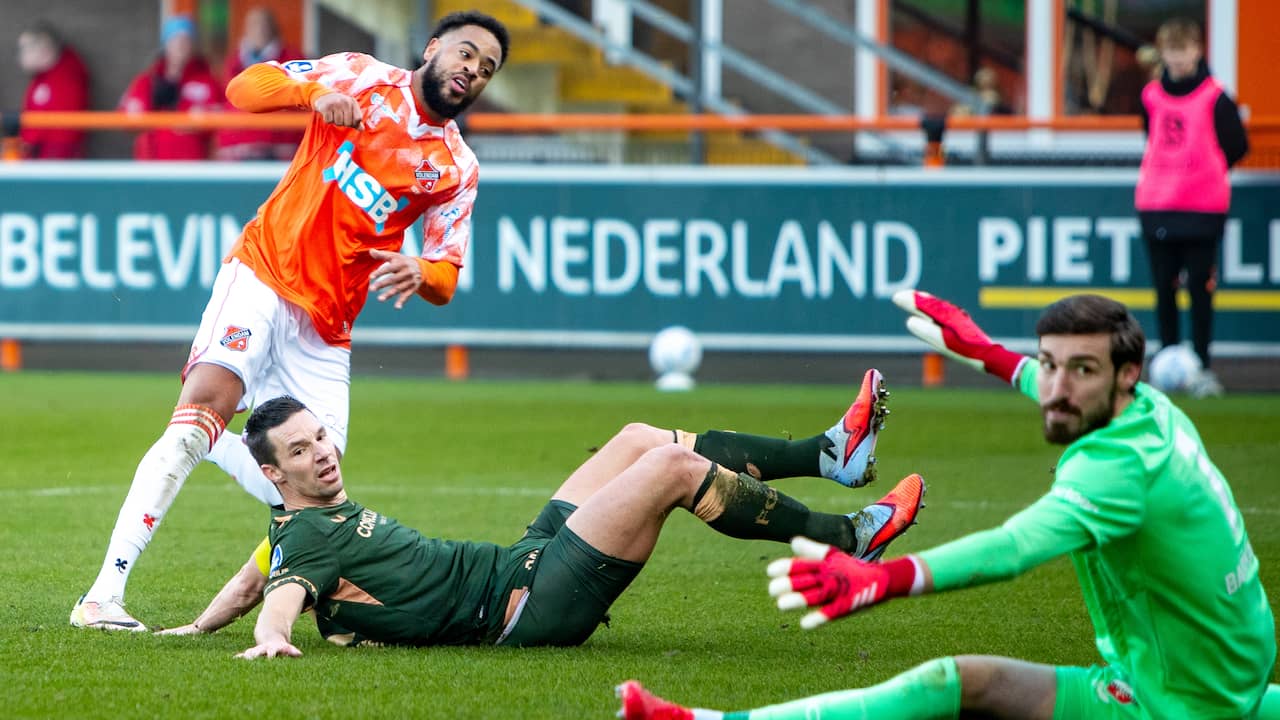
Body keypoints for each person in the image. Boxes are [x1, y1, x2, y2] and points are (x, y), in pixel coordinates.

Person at [619, 290, 1277, 720]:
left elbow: (1013, 547)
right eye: (1048, 364)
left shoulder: (1115, 473)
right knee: (968, 683)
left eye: (1081, 370)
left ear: (1125, 375)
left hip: (1180, 705)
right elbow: (1054, 387)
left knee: (952, 682)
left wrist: (885, 578)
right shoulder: (1153, 414)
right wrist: (985, 351)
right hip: (1236, 680)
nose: (1055, 387)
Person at [70, 10, 512, 631]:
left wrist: (423, 273)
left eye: (487, 69)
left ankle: (221, 458)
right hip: (264, 276)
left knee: (311, 491)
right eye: (466, 54)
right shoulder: (359, 75)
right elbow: (243, 89)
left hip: (326, 328)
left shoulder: (456, 168)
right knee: (197, 415)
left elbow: (445, 275)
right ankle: (101, 595)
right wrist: (316, 92)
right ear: (434, 48)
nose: (473, 71)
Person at [157, 382, 923, 654]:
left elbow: (260, 574)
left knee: (635, 440)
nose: (325, 454)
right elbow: (281, 600)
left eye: (322, 436)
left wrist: (198, 627)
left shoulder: (298, 531)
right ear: (272, 473)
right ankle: (847, 540)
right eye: (302, 450)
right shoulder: (307, 537)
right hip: (525, 607)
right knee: (672, 470)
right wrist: (270, 641)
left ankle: (828, 455)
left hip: (520, 558)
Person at [1136, 18, 1248, 398]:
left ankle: (1201, 365)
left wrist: (1206, 172)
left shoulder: (1216, 96)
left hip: (1202, 208)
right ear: (1163, 52)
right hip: (1157, 203)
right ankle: (1167, 363)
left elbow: (1236, 145)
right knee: (1163, 290)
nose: (1179, 58)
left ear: (1197, 51)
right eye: (1172, 50)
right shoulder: (1151, 95)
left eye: (1185, 50)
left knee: (1200, 289)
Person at [119, 15, 222, 160]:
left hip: (193, 167)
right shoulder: (147, 80)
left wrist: (198, 119)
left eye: (186, 40)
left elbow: (223, 117)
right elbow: (127, 115)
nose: (180, 46)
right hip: (151, 165)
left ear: (193, 46)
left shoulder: (209, 82)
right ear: (166, 44)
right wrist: (140, 113)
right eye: (175, 40)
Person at [214, 6, 304, 161]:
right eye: (253, 25)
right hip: (239, 149)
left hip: (281, 149)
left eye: (263, 25)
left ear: (273, 28)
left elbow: (300, 99)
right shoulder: (233, 62)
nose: (259, 30)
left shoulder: (292, 60)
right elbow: (226, 102)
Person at [17, 20, 90, 159]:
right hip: (42, 160)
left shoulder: (65, 78)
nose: (22, 55)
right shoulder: (44, 77)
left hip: (54, 163)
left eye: (27, 48)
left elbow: (62, 133)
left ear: (45, 50)